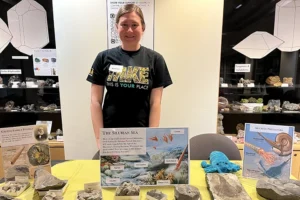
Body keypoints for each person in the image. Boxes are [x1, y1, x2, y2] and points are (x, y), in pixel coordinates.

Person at [86, 4, 172, 149]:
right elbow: (95, 101)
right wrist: (99, 138)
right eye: (124, 25)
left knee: (143, 172)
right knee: (112, 172)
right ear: (116, 27)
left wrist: (152, 138)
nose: (129, 30)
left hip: (142, 135)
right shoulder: (103, 57)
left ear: (143, 27)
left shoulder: (156, 59)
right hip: (112, 135)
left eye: (134, 25)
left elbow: (155, 103)